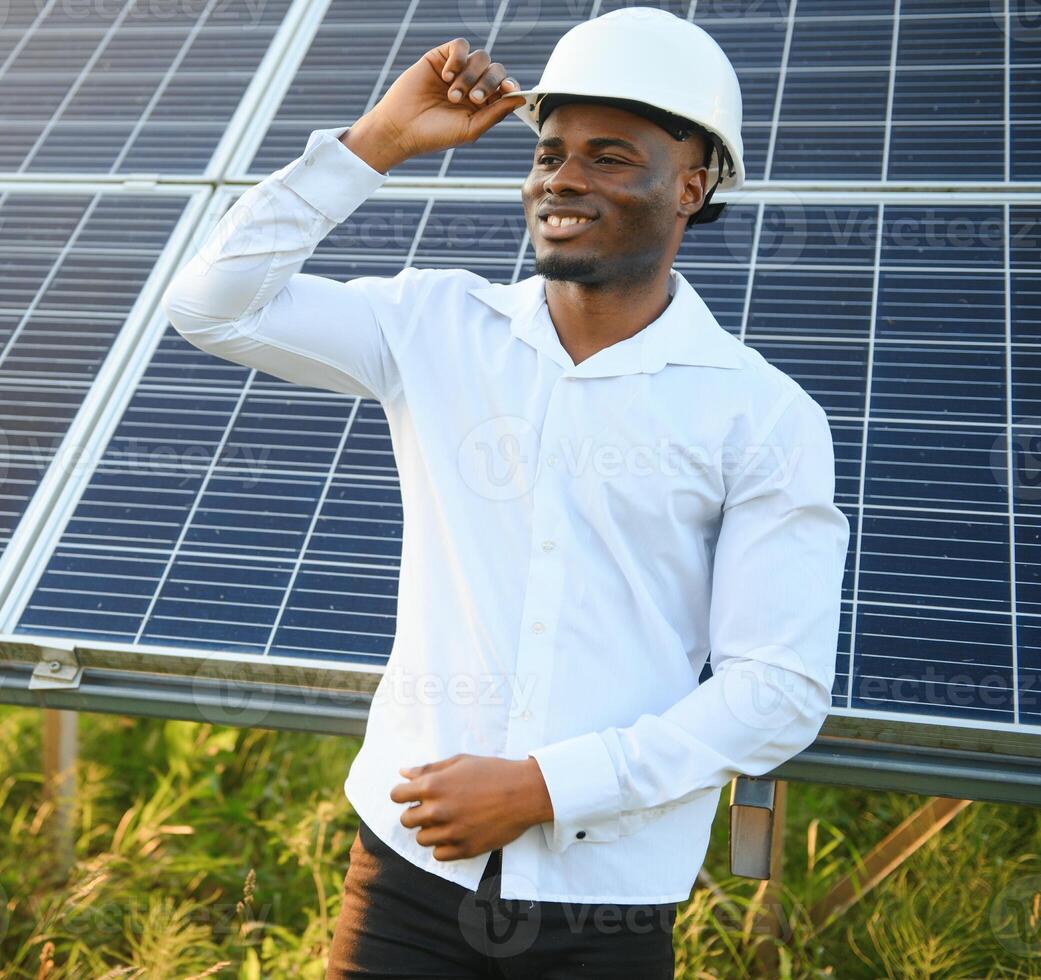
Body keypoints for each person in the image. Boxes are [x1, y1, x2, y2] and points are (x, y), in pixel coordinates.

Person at [162, 7, 849, 978]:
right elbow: (209, 305)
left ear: (691, 186)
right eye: (552, 151)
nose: (563, 175)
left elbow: (775, 690)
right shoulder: (435, 325)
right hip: (403, 871)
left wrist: (544, 787)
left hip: (605, 905)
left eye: (612, 156)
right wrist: (376, 144)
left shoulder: (762, 417)